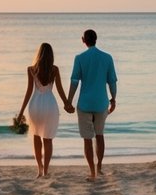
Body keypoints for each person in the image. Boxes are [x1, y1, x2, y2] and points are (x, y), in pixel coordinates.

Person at [67, 29, 117, 179]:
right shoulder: (107, 58)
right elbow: (112, 82)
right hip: (102, 103)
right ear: (96, 39)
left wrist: (69, 101)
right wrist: (113, 99)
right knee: (100, 135)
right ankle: (99, 166)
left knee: (87, 139)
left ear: (83, 40)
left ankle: (92, 172)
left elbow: (74, 81)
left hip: (85, 104)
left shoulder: (80, 58)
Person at [16, 42, 68, 178]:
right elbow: (60, 90)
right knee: (48, 139)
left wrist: (21, 112)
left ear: (38, 54)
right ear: (51, 55)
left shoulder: (31, 70)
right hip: (50, 105)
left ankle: (39, 170)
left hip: (36, 105)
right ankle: (45, 171)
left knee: (36, 137)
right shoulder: (54, 70)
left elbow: (28, 92)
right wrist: (67, 104)